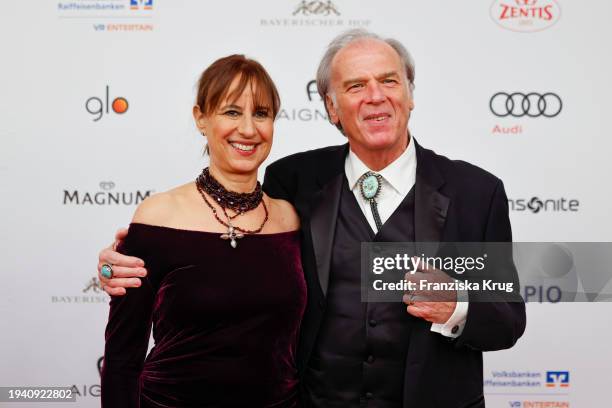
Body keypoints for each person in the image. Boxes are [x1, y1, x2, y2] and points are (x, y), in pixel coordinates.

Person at [99, 30, 526, 407]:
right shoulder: (293, 183)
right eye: (356, 85)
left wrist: (458, 307)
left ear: (410, 95)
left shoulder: (475, 193)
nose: (375, 96)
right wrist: (119, 264)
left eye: (389, 81)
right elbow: (227, 256)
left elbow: (508, 319)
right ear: (332, 107)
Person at [100, 54, 306, 407]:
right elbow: (122, 358)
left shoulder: (289, 218)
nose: (248, 128)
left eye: (261, 113)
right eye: (231, 112)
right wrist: (108, 269)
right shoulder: (158, 215)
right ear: (201, 118)